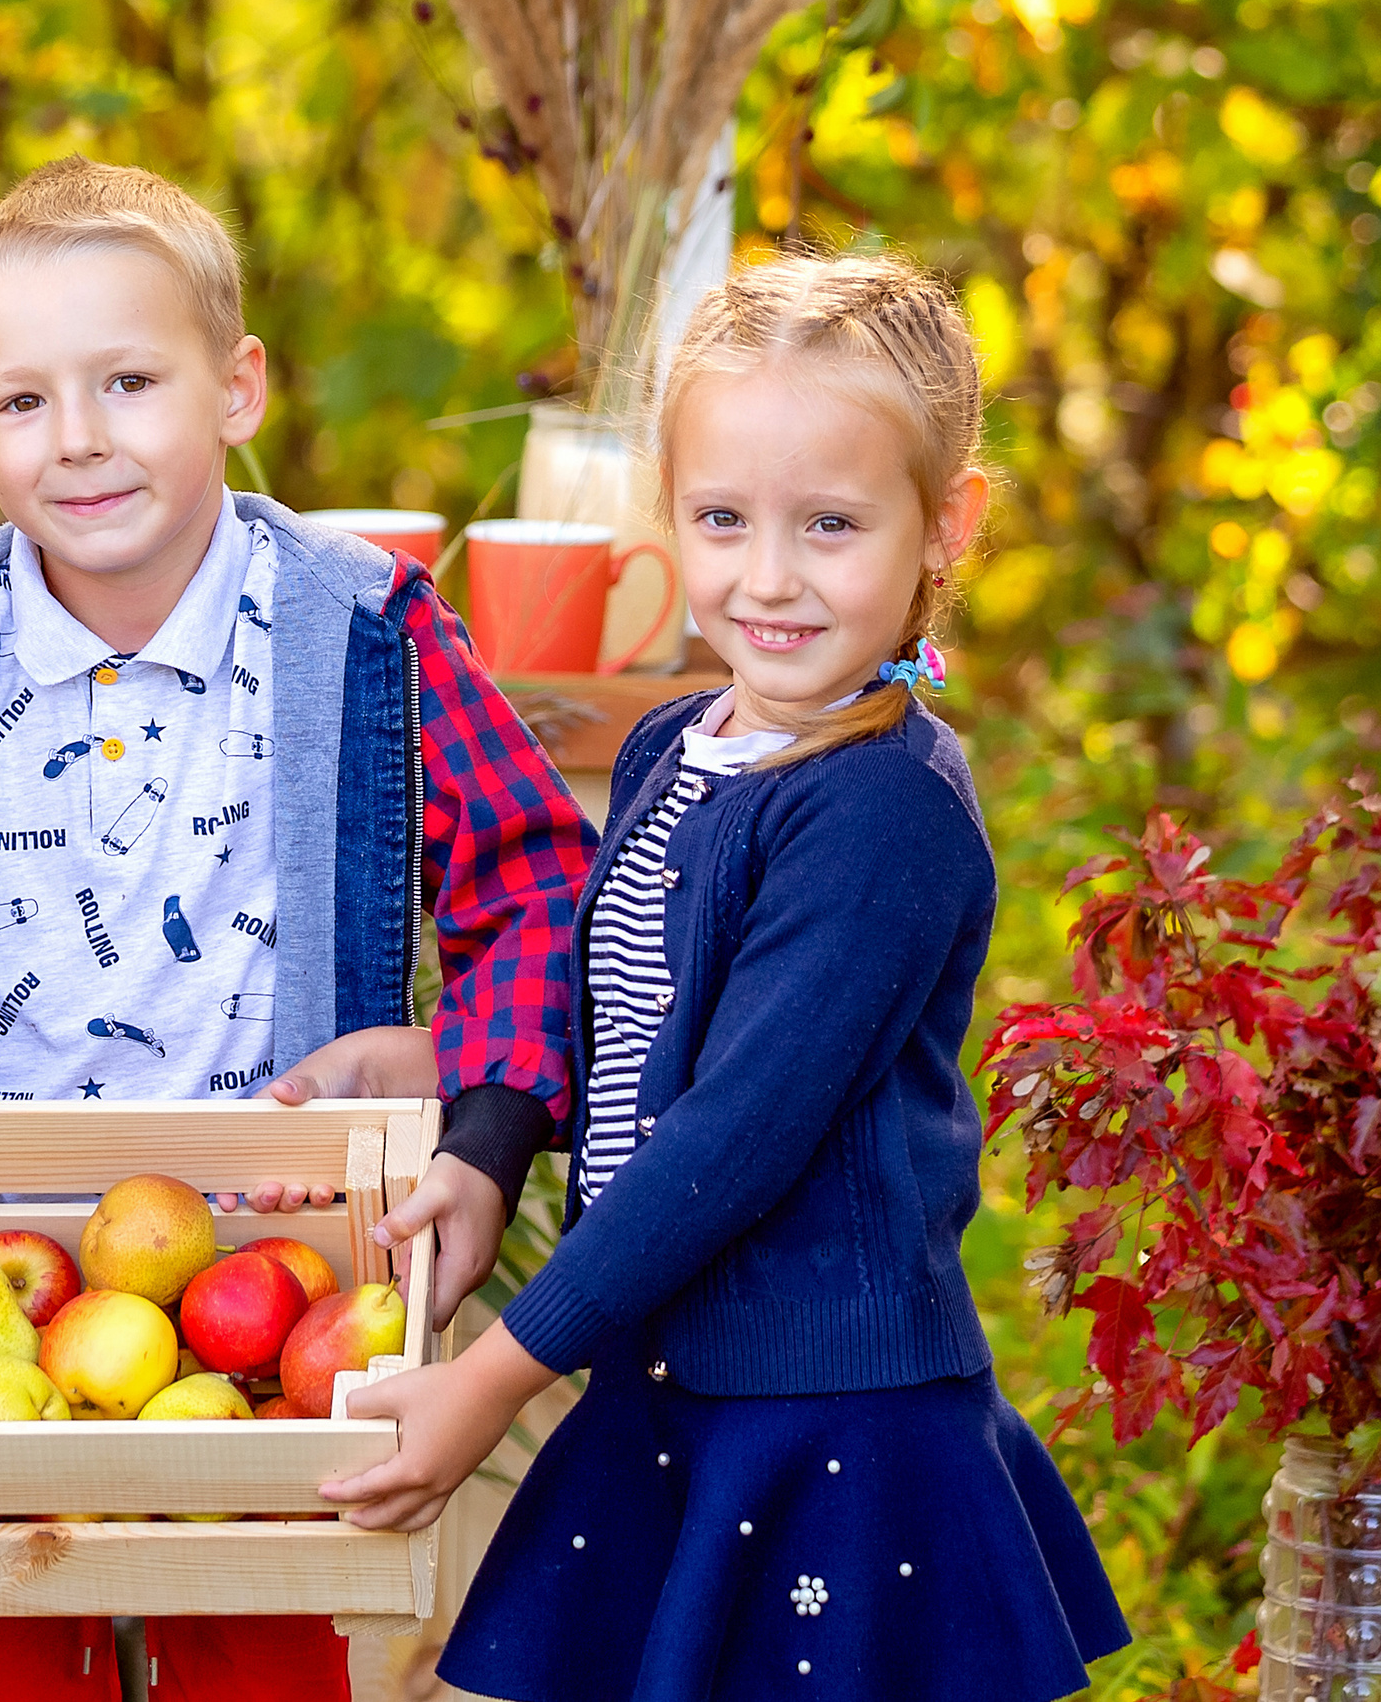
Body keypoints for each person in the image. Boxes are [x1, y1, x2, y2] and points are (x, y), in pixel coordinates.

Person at [0, 157, 593, 1702]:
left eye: (130, 381)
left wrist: (483, 1129)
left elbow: (537, 888)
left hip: (283, 1251)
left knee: (253, 1640)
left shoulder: (366, 633)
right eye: (22, 401)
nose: (79, 440)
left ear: (236, 387)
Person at [319, 252, 1132, 1701]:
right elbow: (642, 1025)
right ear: (667, 517)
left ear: (948, 524)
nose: (769, 577)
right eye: (722, 519)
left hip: (832, 1417)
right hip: (677, 1381)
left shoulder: (882, 811)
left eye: (830, 524)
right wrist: (451, 1069)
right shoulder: (676, 747)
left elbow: (733, 1133)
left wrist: (491, 1376)